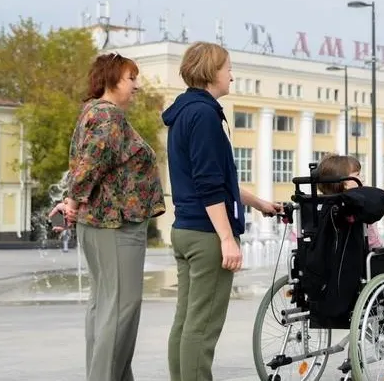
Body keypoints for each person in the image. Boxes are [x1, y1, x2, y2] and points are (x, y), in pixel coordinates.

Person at [162, 42, 280, 381]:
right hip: (206, 235)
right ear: (213, 72)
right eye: (228, 68)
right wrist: (227, 238)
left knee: (186, 321)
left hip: (186, 229)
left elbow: (216, 179)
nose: (232, 74)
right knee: (202, 327)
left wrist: (258, 204)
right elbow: (209, 185)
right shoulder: (204, 116)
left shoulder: (184, 112)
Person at [49, 52, 165, 381]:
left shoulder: (92, 112)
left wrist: (71, 201)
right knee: (121, 309)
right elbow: (91, 163)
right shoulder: (109, 116)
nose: (137, 86)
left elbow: (85, 163)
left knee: (104, 306)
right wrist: (71, 201)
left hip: (101, 222)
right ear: (112, 79)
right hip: (116, 224)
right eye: (131, 79)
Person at [316, 154, 383, 249]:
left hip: (322, 260)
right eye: (358, 174)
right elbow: (374, 244)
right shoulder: (358, 206)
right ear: (344, 183)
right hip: (357, 260)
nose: (362, 178)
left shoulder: (317, 206)